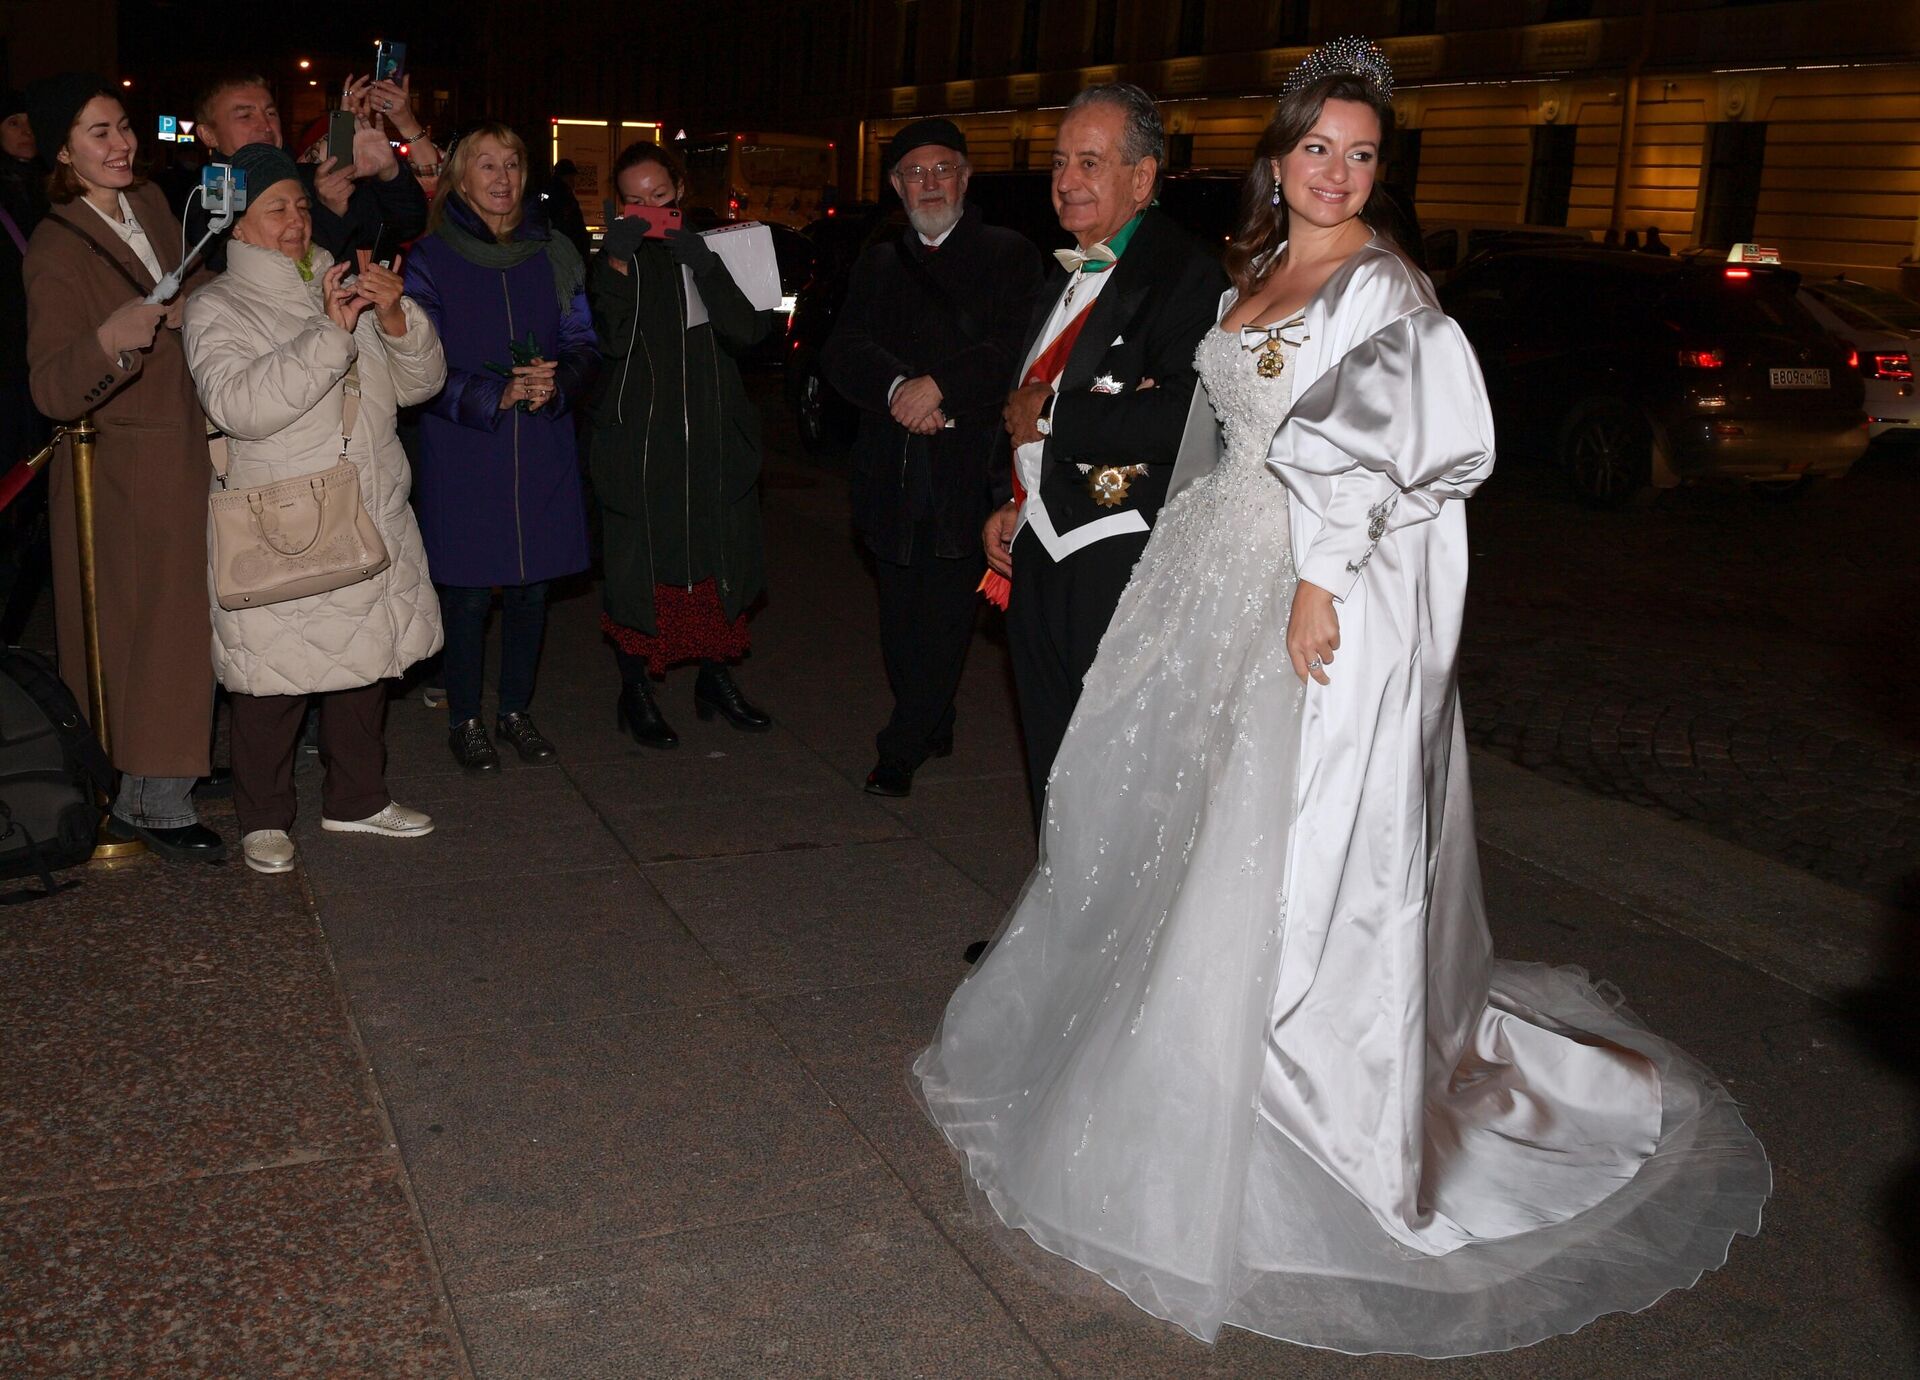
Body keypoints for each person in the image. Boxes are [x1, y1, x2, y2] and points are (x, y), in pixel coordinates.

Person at [915, 42, 1770, 1355]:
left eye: (1363, 154)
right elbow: (1209, 429)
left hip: (1317, 596)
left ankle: (1297, 1100)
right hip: (1217, 569)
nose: (1338, 171)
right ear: (1280, 157)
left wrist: (1320, 581)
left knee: (1293, 844)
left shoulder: (1389, 288)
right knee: (1187, 824)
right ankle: (1188, 1060)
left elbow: (1412, 450)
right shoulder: (1257, 272)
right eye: (1319, 148)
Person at [181, 143, 446, 874]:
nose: (296, 220)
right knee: (272, 674)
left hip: (369, 496)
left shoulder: (338, 276)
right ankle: (264, 817)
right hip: (282, 514)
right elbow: (239, 405)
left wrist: (396, 321)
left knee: (366, 661)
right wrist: (329, 331)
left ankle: (358, 799)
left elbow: (420, 385)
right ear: (236, 224)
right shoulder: (216, 304)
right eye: (276, 208)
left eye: (300, 204)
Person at [981, 83, 1225, 825]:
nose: (1065, 181)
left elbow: (1191, 413)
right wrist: (1012, 497)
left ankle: (1111, 936)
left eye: (1089, 162)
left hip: (1121, 555)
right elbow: (1027, 405)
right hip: (1043, 544)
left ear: (1143, 178)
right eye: (1059, 163)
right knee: (1051, 756)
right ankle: (1054, 927)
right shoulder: (1065, 270)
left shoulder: (1185, 272)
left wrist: (1057, 415)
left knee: (1117, 770)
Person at [21, 74, 221, 862]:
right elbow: (49, 386)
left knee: (182, 628)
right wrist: (112, 340)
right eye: (98, 132)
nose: (121, 143)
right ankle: (151, 800)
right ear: (63, 151)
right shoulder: (55, 246)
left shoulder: (152, 208)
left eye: (124, 126)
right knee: (154, 635)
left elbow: (193, 293)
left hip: (183, 442)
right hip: (124, 465)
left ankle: (165, 777)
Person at [821, 120, 1040, 795]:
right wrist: (895, 389)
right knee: (897, 616)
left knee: (946, 615)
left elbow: (1015, 350)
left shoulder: (1010, 255)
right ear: (895, 187)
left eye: (943, 169)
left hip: (964, 471)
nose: (930, 183)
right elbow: (842, 349)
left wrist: (940, 387)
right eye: (914, 173)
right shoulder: (880, 260)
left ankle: (902, 744)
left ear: (966, 178)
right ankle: (931, 714)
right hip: (890, 470)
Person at [403, 123, 596, 772]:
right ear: (459, 179)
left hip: (541, 443)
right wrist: (494, 395)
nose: (502, 178)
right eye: (486, 165)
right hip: (466, 449)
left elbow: (583, 345)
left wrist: (557, 380)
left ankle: (515, 709)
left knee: (531, 590)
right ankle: (465, 719)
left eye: (512, 164)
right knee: (464, 594)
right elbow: (414, 367)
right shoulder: (430, 259)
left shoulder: (555, 253)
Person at [585, 141, 772, 749]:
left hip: (712, 438)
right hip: (642, 442)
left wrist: (706, 265)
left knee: (719, 554)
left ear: (681, 192)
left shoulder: (723, 247)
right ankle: (633, 688)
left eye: (659, 197)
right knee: (639, 565)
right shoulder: (616, 257)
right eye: (633, 200)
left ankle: (715, 679)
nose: (647, 209)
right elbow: (610, 343)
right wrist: (614, 264)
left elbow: (751, 332)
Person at [191, 71, 431, 267]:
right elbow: (231, 267)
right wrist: (330, 214)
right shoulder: (211, 192)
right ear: (208, 135)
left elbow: (405, 225)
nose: (265, 125)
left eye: (271, 113)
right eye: (245, 116)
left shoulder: (314, 177)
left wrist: (389, 174)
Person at [544, 158, 592, 264]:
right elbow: (568, 224)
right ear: (566, 176)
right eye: (571, 177)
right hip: (566, 249)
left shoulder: (554, 192)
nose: (573, 180)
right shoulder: (562, 194)